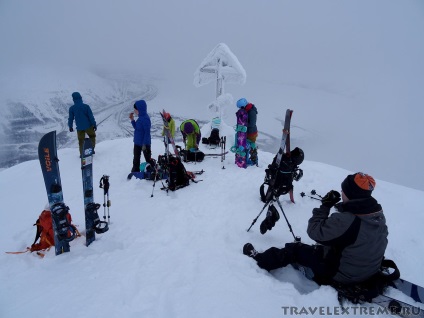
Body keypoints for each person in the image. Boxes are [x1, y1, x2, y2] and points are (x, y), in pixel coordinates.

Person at [243, 172, 388, 286]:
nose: (341, 192)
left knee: (295, 249)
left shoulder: (347, 220)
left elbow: (314, 231)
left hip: (342, 275)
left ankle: (261, 260)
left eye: (344, 190)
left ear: (351, 194)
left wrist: (325, 207)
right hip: (368, 269)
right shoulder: (376, 214)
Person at [129, 100, 154, 174]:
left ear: (140, 109)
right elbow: (136, 128)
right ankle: (135, 171)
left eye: (135, 109)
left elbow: (147, 133)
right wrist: (132, 120)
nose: (134, 111)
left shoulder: (145, 119)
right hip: (137, 142)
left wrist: (144, 144)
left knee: (148, 159)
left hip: (144, 144)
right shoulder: (140, 118)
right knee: (136, 158)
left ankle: (152, 171)